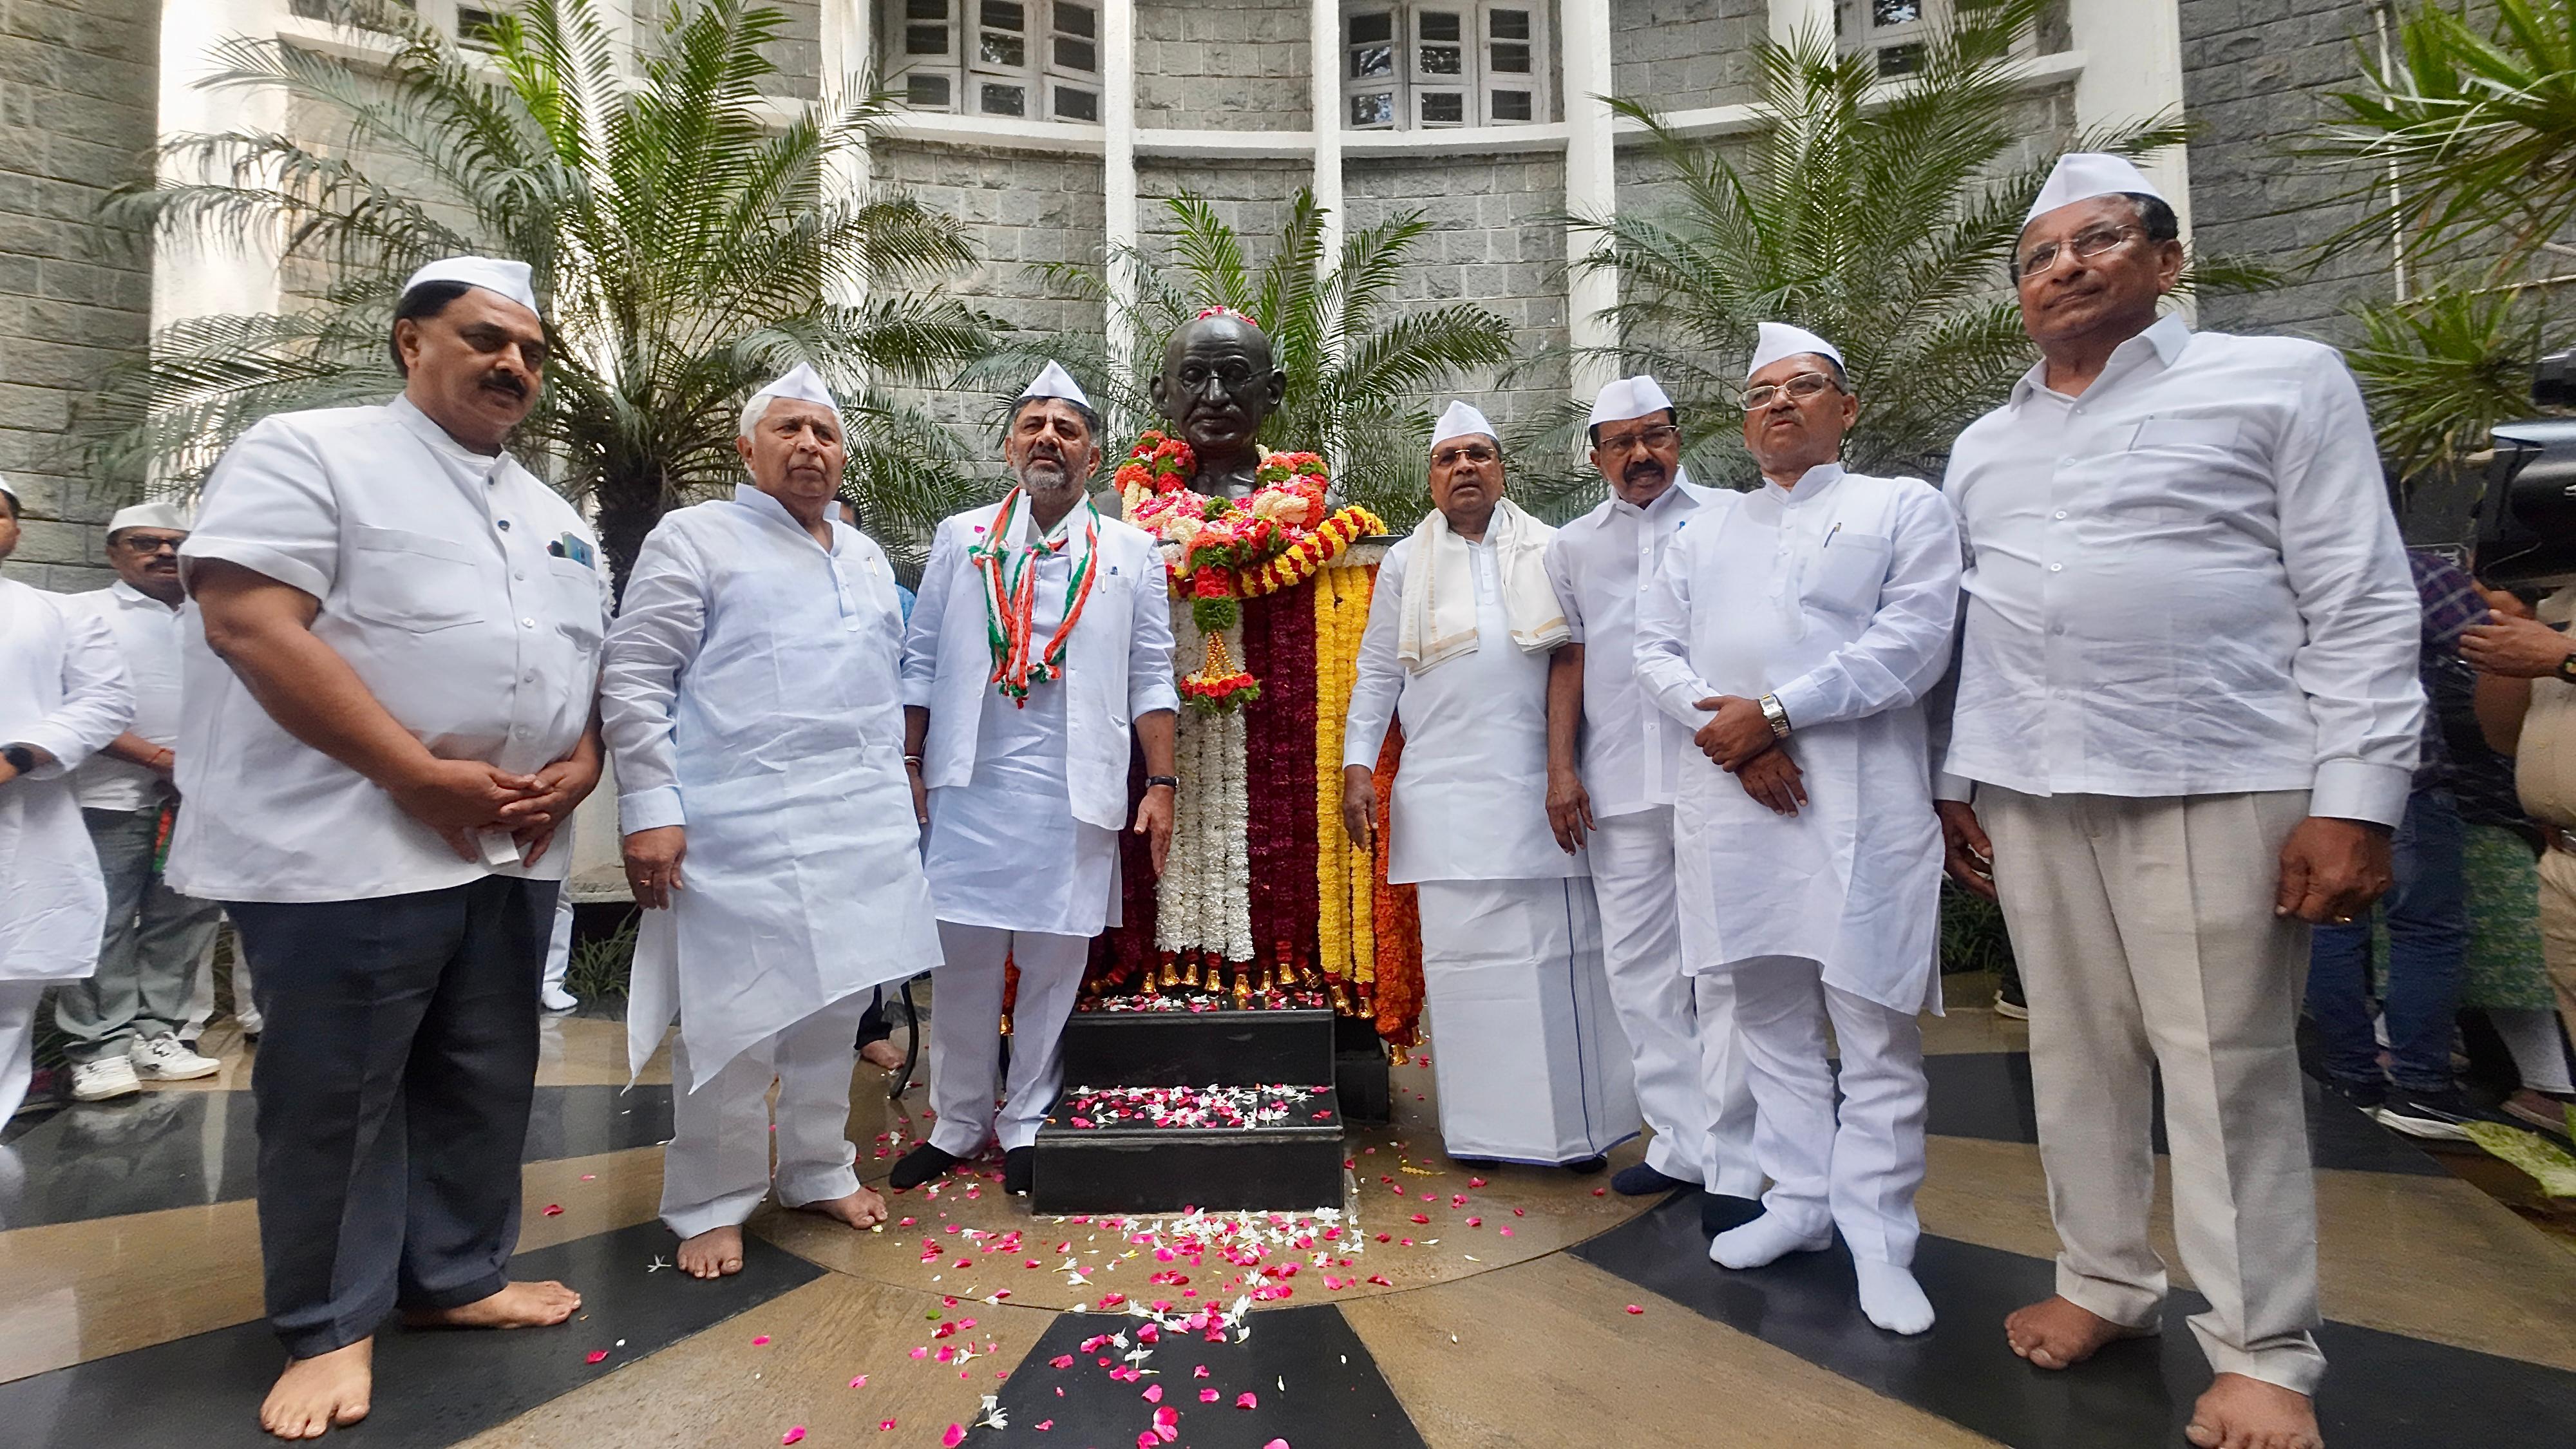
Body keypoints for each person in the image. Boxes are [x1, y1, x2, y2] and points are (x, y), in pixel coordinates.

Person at [1935, 155, 2420, 1449]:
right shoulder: (1984, 444)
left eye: (2094, 242)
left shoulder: (2275, 380)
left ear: (2164, 259)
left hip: (2215, 775)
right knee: (2070, 1056)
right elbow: (1978, 624)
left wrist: (2355, 797)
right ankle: (2100, 1278)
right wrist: (1955, 782)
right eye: (2036, 258)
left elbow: (2359, 596)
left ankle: (2261, 1350)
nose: (2061, 271)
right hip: (2032, 791)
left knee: (2224, 1068)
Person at [169, 257, 605, 1440]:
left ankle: (456, 1276)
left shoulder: (557, 514)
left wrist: (584, 766)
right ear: (411, 342)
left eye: (530, 349)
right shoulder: (310, 452)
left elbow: (583, 669)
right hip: (350, 841)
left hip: (508, 848)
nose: (512, 362)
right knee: (342, 1092)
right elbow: (249, 620)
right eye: (484, 337)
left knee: (480, 1076)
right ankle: (327, 1323)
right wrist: (413, 774)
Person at [1636, 324, 1960, 1335]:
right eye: (1763, 392)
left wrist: (1775, 712)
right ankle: (1800, 1203)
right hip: (1734, 802)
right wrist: (1737, 738)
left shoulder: (1902, 506)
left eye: (1805, 387)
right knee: (1766, 1013)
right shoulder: (1700, 531)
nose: (1780, 404)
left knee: (1870, 1022)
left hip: (1864, 804)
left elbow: (1912, 645)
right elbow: (1652, 651)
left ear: (1846, 409)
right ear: (1744, 422)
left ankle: (1881, 1238)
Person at [605, 363, 942, 1277]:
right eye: (788, 429)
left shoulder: (866, 557)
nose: (809, 446)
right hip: (735, 831)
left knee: (833, 1021)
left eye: (825, 433)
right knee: (736, 1024)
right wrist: (650, 809)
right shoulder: (695, 538)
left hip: (859, 830)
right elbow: (636, 679)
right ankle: (710, 1201)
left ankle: (816, 1167)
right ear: (745, 449)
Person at [889, 362, 1179, 1197]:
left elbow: (1152, 675)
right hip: (970, 784)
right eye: (1034, 425)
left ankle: (1025, 1120)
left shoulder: (1128, 551)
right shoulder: (962, 536)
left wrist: (1160, 784)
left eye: (1068, 428)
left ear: (1095, 457)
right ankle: (955, 1121)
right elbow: (922, 656)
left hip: (1076, 791)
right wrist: (910, 761)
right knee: (963, 960)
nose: (1049, 437)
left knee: (1054, 965)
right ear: (1011, 445)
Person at [1343, 401, 1640, 1171]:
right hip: (1442, 799)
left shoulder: (1551, 548)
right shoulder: (1406, 563)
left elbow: (1574, 658)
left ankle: (1574, 1137)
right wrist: (1355, 766)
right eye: (1447, 459)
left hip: (1546, 792)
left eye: (1478, 454)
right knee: (1464, 971)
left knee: (1560, 964)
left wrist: (1563, 771)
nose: (1464, 468)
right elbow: (1377, 670)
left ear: (1501, 469)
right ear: (1432, 479)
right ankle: (1482, 1137)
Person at [1541, 374, 1759, 1200]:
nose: (1641, 455)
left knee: (1730, 964)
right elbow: (1570, 659)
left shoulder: (1733, 520)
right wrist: (1562, 770)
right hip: (1620, 783)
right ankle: (1680, 1142)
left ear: (1678, 438)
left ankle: (1739, 1149)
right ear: (1595, 456)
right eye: (1621, 443)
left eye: (1655, 436)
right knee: (1638, 969)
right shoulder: (1571, 547)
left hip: (1721, 774)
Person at [2304, 550, 2486, 1137]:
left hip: (2300, 778)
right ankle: (2421, 1087)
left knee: (2329, 924)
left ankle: (2351, 1076)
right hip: (2402, 773)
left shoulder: (2262, 565)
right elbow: (2489, 646)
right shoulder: (2411, 568)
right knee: (2426, 931)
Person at [55, 501, 225, 1099]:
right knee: (100, 923)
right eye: (144, 542)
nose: (164, 552)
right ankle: (99, 1047)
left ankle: (160, 1035)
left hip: (201, 798)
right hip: (106, 796)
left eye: (177, 542)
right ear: (113, 552)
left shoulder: (218, 614)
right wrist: (160, 761)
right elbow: (65, 703)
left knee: (183, 920)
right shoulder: (80, 613)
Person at [0, 475, 134, 1124]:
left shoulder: (56, 613)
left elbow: (106, 699)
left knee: (6, 990)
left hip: (22, 816)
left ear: (15, 532)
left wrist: (19, 756)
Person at [2462, 582, 2576, 1072]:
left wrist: (2564, 659)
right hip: (2562, 859)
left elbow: (2565, 664)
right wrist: (2510, 633)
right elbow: (2503, 735)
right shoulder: (2563, 600)